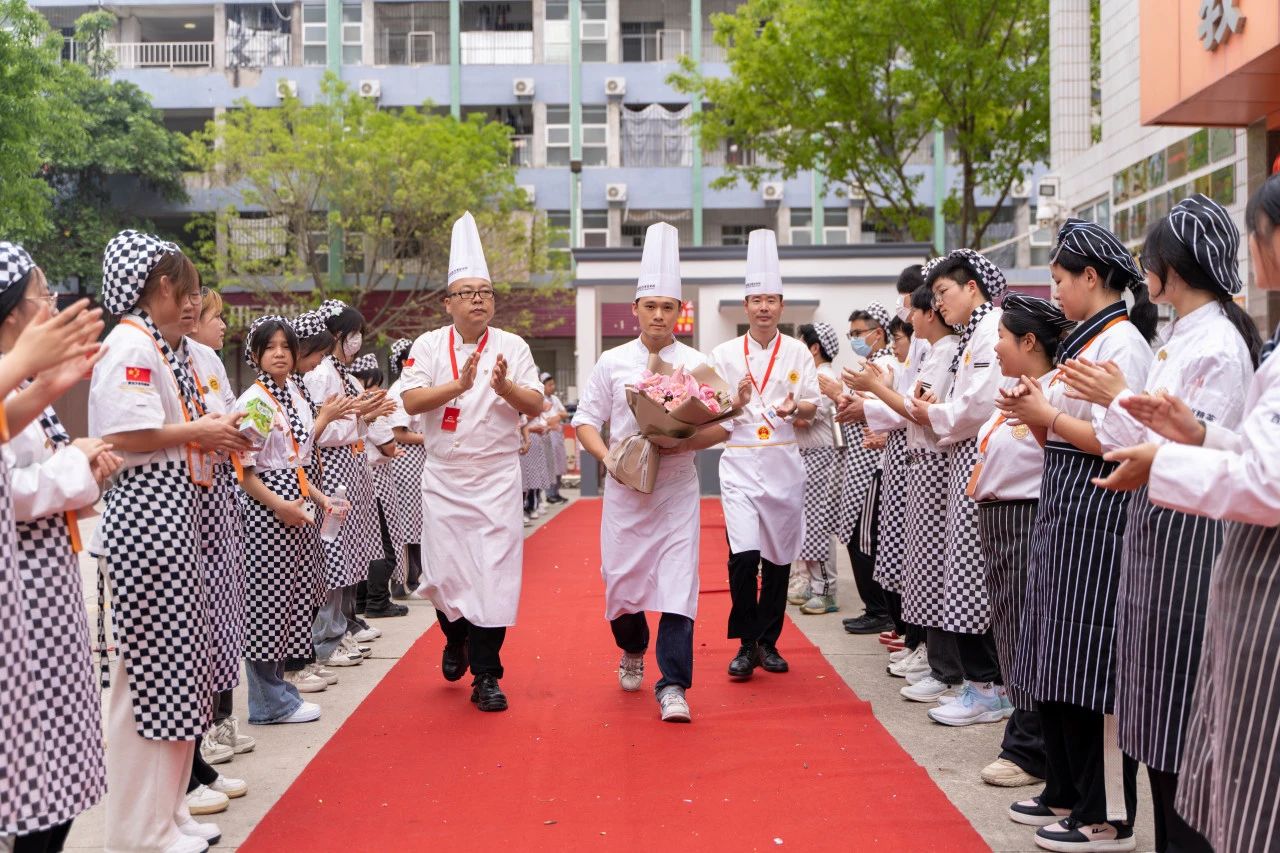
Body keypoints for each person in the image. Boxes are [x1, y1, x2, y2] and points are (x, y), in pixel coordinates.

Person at [1061, 197, 1259, 853]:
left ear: (1166, 268)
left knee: (1179, 721)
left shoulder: (1219, 346)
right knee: (1151, 707)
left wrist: (1116, 400)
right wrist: (1116, 401)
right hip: (1159, 532)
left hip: (1191, 542)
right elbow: (1143, 434)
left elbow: (1206, 455)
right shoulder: (1180, 336)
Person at [1000, 219, 1158, 852]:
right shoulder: (1084, 343)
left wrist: (1049, 414)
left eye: (1061, 280)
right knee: (1058, 652)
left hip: (1100, 510)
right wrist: (1036, 415)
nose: (1055, 292)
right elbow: (1062, 432)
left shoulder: (1123, 345)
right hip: (1065, 504)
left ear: (1092, 279)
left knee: (1093, 660)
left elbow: (1127, 445)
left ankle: (1105, 813)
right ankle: (1064, 789)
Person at [92, 230, 252, 853]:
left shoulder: (161, 348)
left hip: (176, 522)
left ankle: (167, 814)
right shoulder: (132, 346)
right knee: (148, 680)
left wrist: (209, 432)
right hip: (149, 525)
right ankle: (140, 830)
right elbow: (129, 433)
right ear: (160, 287)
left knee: (175, 675)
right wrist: (202, 431)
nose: (189, 302)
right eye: (184, 289)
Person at [573, 222, 722, 723]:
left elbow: (722, 429)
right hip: (625, 491)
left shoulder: (698, 366)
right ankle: (632, 646)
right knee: (622, 587)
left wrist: (678, 438)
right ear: (634, 310)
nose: (659, 316)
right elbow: (585, 421)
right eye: (650, 306)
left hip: (677, 489)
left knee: (679, 586)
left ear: (680, 312)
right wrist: (607, 457)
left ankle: (674, 684)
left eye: (668, 307)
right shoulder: (612, 362)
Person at [401, 211, 545, 712]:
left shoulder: (512, 345)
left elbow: (536, 405)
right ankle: (454, 634)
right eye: (468, 292)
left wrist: (505, 387)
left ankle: (488, 675)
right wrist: (460, 385)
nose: (479, 299)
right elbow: (413, 402)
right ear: (449, 303)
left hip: (496, 476)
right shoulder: (425, 346)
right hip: (444, 478)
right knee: (442, 574)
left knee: (494, 575)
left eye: (486, 291)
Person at [0, 244, 117, 853]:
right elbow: (14, 490)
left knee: (60, 752)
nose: (52, 305)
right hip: (21, 580)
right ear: (14, 314)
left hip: (48, 571)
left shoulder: (18, 382)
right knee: (31, 757)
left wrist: (83, 464)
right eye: (41, 296)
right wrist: (76, 462)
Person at [968, 294, 1074, 789]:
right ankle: (1027, 736)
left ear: (1030, 342)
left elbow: (1058, 453)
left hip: (1026, 515)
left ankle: (1029, 746)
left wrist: (1036, 417)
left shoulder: (1052, 393)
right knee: (1011, 631)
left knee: (1026, 634)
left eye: (1005, 338)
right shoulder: (1020, 388)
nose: (997, 346)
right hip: (1001, 517)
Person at [901, 249, 1010, 725]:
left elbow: (978, 403)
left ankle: (986, 686)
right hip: (963, 452)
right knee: (959, 573)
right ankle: (977, 682)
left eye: (943, 292)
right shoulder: (973, 334)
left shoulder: (990, 330)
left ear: (972, 288)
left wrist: (932, 413)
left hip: (978, 455)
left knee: (969, 576)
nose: (938, 303)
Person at [708, 228, 820, 680]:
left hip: (782, 461)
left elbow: (813, 403)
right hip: (738, 460)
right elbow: (709, 406)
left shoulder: (797, 352)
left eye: (772, 299)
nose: (764, 307)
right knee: (743, 556)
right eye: (757, 300)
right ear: (746, 306)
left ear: (780, 305)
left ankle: (769, 643)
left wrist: (798, 406)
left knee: (777, 559)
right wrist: (731, 403)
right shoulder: (723, 353)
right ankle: (745, 642)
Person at [236, 315, 346, 725]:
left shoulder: (288, 397)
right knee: (266, 603)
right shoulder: (257, 402)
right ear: (256, 355)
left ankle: (280, 690)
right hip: (268, 515)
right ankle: (267, 701)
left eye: (286, 346)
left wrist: (319, 498)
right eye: (270, 348)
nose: (280, 354)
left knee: (290, 601)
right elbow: (244, 469)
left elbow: (294, 462)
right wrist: (279, 505)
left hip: (293, 509)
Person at [182, 288, 254, 794]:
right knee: (187, 638)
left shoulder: (206, 359)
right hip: (183, 505)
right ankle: (189, 764)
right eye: (215, 316)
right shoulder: (143, 352)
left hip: (218, 499)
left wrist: (240, 429)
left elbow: (227, 414)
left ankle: (203, 751)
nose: (220, 325)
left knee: (220, 623)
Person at [301, 301, 393, 668]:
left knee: (350, 555)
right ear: (336, 335)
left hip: (352, 463)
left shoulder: (345, 375)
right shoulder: (322, 373)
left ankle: (339, 629)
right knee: (334, 554)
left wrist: (367, 414)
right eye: (352, 333)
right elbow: (319, 430)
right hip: (335, 466)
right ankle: (325, 637)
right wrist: (359, 413)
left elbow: (347, 423)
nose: (357, 340)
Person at [835, 301, 897, 635]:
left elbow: (878, 408)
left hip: (876, 461)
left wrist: (838, 397)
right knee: (860, 536)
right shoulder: (872, 362)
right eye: (852, 333)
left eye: (859, 333)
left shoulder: (883, 363)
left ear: (879, 332)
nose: (855, 339)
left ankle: (879, 609)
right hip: (864, 460)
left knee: (865, 538)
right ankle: (876, 608)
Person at [350, 353, 410, 618]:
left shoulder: (358, 406)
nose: (374, 391)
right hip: (374, 480)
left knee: (366, 542)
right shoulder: (369, 409)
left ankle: (364, 600)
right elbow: (388, 445)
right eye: (370, 385)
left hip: (369, 476)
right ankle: (377, 600)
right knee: (382, 543)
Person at [790, 322, 844, 615]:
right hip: (809, 456)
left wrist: (781, 411)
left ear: (814, 348)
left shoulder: (823, 377)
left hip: (821, 457)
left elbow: (802, 420)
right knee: (808, 525)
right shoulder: (815, 375)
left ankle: (827, 590)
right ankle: (815, 584)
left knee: (818, 524)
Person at [386, 338, 426, 597]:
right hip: (406, 459)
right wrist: (430, 438)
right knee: (408, 523)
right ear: (404, 362)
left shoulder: (414, 386)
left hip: (418, 458)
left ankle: (413, 577)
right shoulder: (400, 389)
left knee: (417, 522)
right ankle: (403, 581)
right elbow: (398, 432)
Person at [542, 373, 570, 503]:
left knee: (559, 463)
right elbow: (544, 420)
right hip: (547, 434)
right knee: (550, 464)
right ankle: (549, 493)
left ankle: (556, 491)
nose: (552, 387)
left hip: (557, 433)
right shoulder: (540, 399)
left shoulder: (554, 398)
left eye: (553, 384)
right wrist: (554, 419)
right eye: (549, 385)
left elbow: (564, 413)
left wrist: (556, 417)